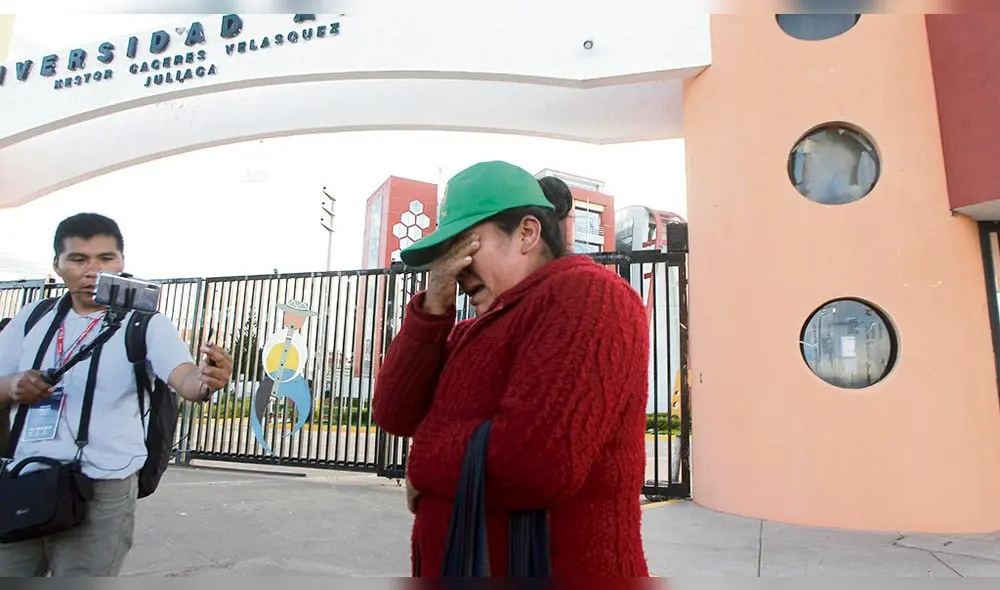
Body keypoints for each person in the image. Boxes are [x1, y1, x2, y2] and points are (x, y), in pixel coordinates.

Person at [372, 161, 651, 578]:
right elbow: (395, 413)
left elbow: (536, 463)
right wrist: (432, 309)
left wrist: (422, 463)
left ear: (527, 233)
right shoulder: (475, 330)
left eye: (464, 246)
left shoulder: (589, 297)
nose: (456, 268)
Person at [0, 213, 234, 577]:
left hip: (104, 486)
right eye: (78, 259)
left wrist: (206, 380)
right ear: (58, 265)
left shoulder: (145, 323)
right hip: (25, 477)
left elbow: (184, 378)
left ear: (122, 262)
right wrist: (13, 385)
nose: (92, 270)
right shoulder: (33, 317)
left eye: (106, 259)